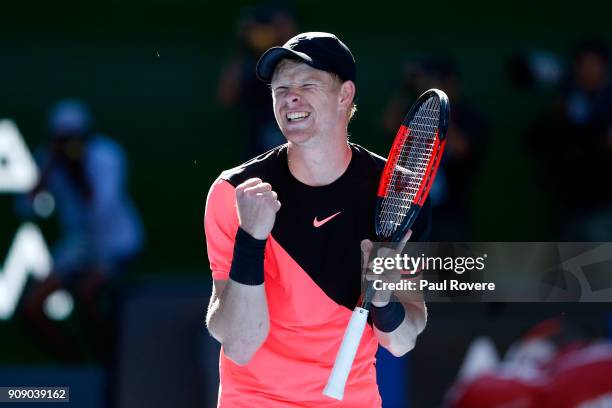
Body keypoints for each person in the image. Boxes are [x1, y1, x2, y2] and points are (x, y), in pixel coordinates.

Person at [205, 32, 430, 407]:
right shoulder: (235, 193)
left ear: (345, 96)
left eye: (307, 84)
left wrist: (383, 298)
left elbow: (403, 341)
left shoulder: (396, 193)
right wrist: (251, 239)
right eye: (280, 88)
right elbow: (241, 344)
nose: (290, 97)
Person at [18, 99, 144, 363]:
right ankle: (74, 363)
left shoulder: (106, 156)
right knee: (31, 308)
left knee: (88, 295)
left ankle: (109, 364)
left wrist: (79, 171)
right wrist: (47, 170)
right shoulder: (49, 161)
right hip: (78, 247)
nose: (69, 148)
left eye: (74, 140)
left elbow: (102, 209)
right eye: (63, 141)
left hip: (116, 244)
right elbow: (26, 208)